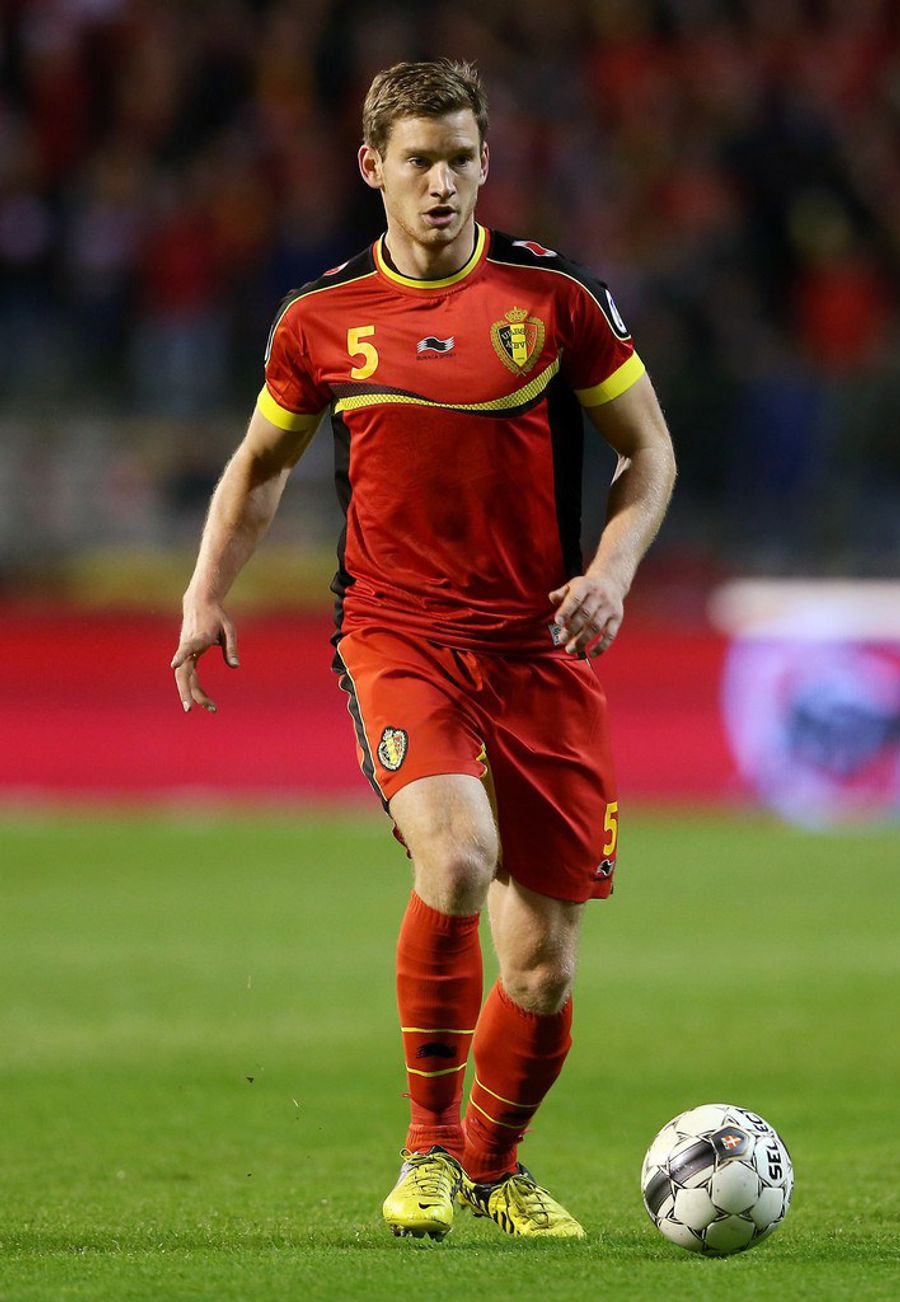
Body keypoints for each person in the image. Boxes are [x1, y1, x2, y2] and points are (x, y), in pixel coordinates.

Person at [171, 59, 676, 1241]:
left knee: (542, 967)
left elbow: (648, 454)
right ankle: (427, 1153)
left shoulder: (554, 299)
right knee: (454, 860)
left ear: (486, 163)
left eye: (458, 159)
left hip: (538, 650)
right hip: (398, 636)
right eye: (417, 162)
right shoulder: (319, 320)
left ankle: (492, 1169)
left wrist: (608, 575)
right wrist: (203, 593)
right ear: (372, 168)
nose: (440, 183)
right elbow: (259, 467)